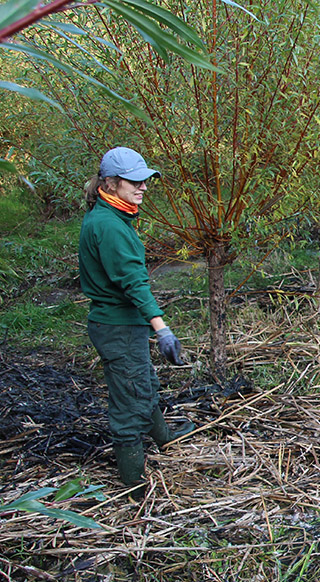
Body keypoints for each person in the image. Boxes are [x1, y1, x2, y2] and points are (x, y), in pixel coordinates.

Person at [79, 146, 193, 497]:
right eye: (135, 182)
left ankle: (162, 435)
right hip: (116, 325)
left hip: (119, 323)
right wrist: (163, 330)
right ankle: (133, 484)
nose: (143, 187)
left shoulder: (111, 216)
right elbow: (133, 283)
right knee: (129, 401)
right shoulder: (109, 226)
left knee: (142, 380)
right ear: (111, 183)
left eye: (146, 181)